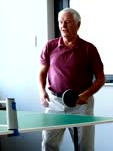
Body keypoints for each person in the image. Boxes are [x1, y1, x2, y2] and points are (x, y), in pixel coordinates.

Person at [38, 8, 105, 151]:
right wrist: (41, 92)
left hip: (81, 105)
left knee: (84, 148)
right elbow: (42, 72)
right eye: (61, 22)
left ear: (78, 25)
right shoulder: (50, 46)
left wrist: (85, 95)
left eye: (67, 22)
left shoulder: (89, 49)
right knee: (48, 145)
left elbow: (100, 78)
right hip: (54, 103)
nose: (63, 26)